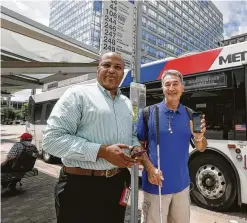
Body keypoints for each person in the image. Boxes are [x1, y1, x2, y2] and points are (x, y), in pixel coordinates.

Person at [43, 52, 142, 223]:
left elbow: (131, 135)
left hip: (117, 183)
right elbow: (51, 140)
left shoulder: (127, 103)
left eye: (118, 67)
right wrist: (102, 151)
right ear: (98, 69)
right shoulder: (77, 95)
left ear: (123, 73)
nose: (112, 70)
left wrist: (135, 147)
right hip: (79, 186)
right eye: (106, 65)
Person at [137, 69, 208, 223]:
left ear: (182, 87)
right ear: (162, 88)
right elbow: (138, 146)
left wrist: (199, 137)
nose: (171, 88)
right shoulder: (148, 113)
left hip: (182, 186)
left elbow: (201, 147)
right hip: (155, 186)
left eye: (175, 84)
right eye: (167, 84)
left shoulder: (189, 114)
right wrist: (149, 169)